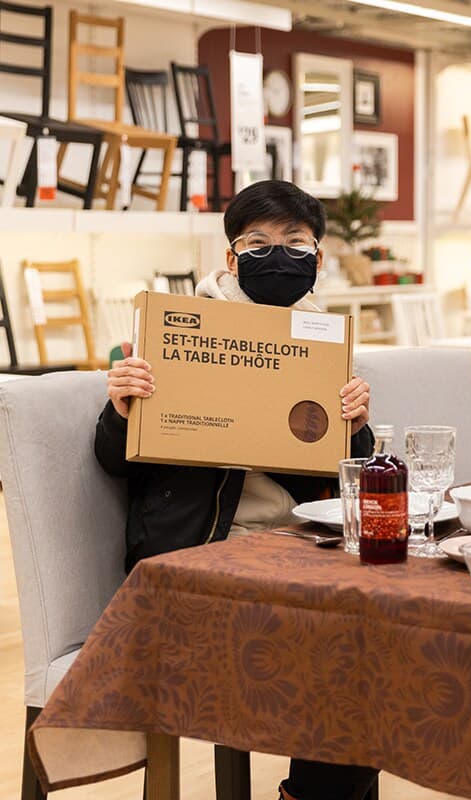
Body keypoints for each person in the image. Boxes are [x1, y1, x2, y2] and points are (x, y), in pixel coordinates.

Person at [94, 180, 379, 800]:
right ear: (231, 257)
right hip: (204, 559)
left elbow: (346, 480)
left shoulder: (326, 343)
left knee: (380, 634)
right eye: (259, 244)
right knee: (350, 646)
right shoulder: (176, 335)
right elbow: (116, 463)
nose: (279, 256)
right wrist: (122, 407)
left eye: (295, 243)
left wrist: (356, 426)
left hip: (302, 551)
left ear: (318, 257)